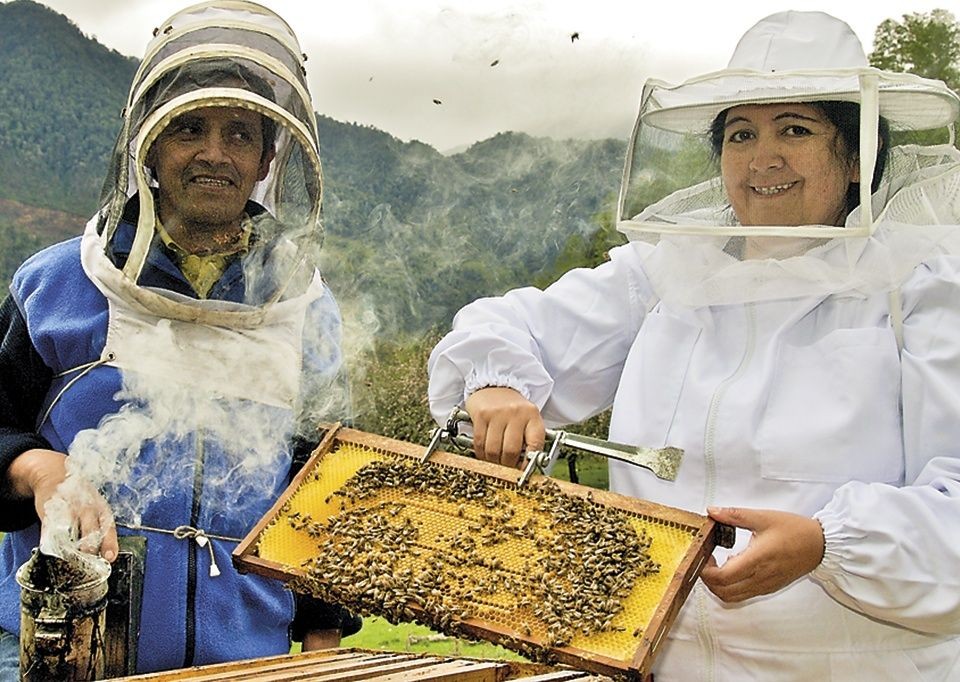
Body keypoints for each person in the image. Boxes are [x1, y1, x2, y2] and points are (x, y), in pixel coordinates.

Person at [428, 11, 960, 681]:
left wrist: (829, 544)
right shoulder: (668, 275)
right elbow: (510, 326)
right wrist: (494, 383)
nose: (762, 159)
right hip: (660, 660)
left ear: (856, 158)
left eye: (794, 129)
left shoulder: (926, 290)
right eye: (741, 134)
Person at [0, 1, 359, 677]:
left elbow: (321, 498)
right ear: (151, 145)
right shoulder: (56, 285)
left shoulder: (308, 312)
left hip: (245, 665)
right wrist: (40, 470)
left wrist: (322, 656)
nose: (213, 154)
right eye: (189, 128)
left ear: (267, 159)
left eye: (240, 135)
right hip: (55, 655)